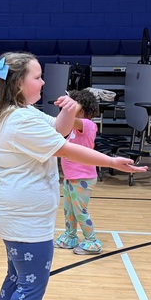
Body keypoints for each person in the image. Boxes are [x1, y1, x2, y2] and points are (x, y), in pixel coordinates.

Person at [0, 53, 146, 300]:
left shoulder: (19, 112)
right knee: (30, 285)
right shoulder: (20, 120)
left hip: (18, 212)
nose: (43, 82)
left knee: (17, 280)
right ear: (18, 83)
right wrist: (111, 161)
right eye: (37, 76)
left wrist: (69, 111)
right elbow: (65, 149)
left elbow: (59, 131)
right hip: (25, 217)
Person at [54, 89, 103, 254]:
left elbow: (69, 119)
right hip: (71, 177)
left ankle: (92, 241)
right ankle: (70, 236)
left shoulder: (87, 124)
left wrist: (73, 104)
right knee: (69, 210)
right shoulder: (73, 129)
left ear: (82, 108)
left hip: (83, 177)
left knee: (80, 211)